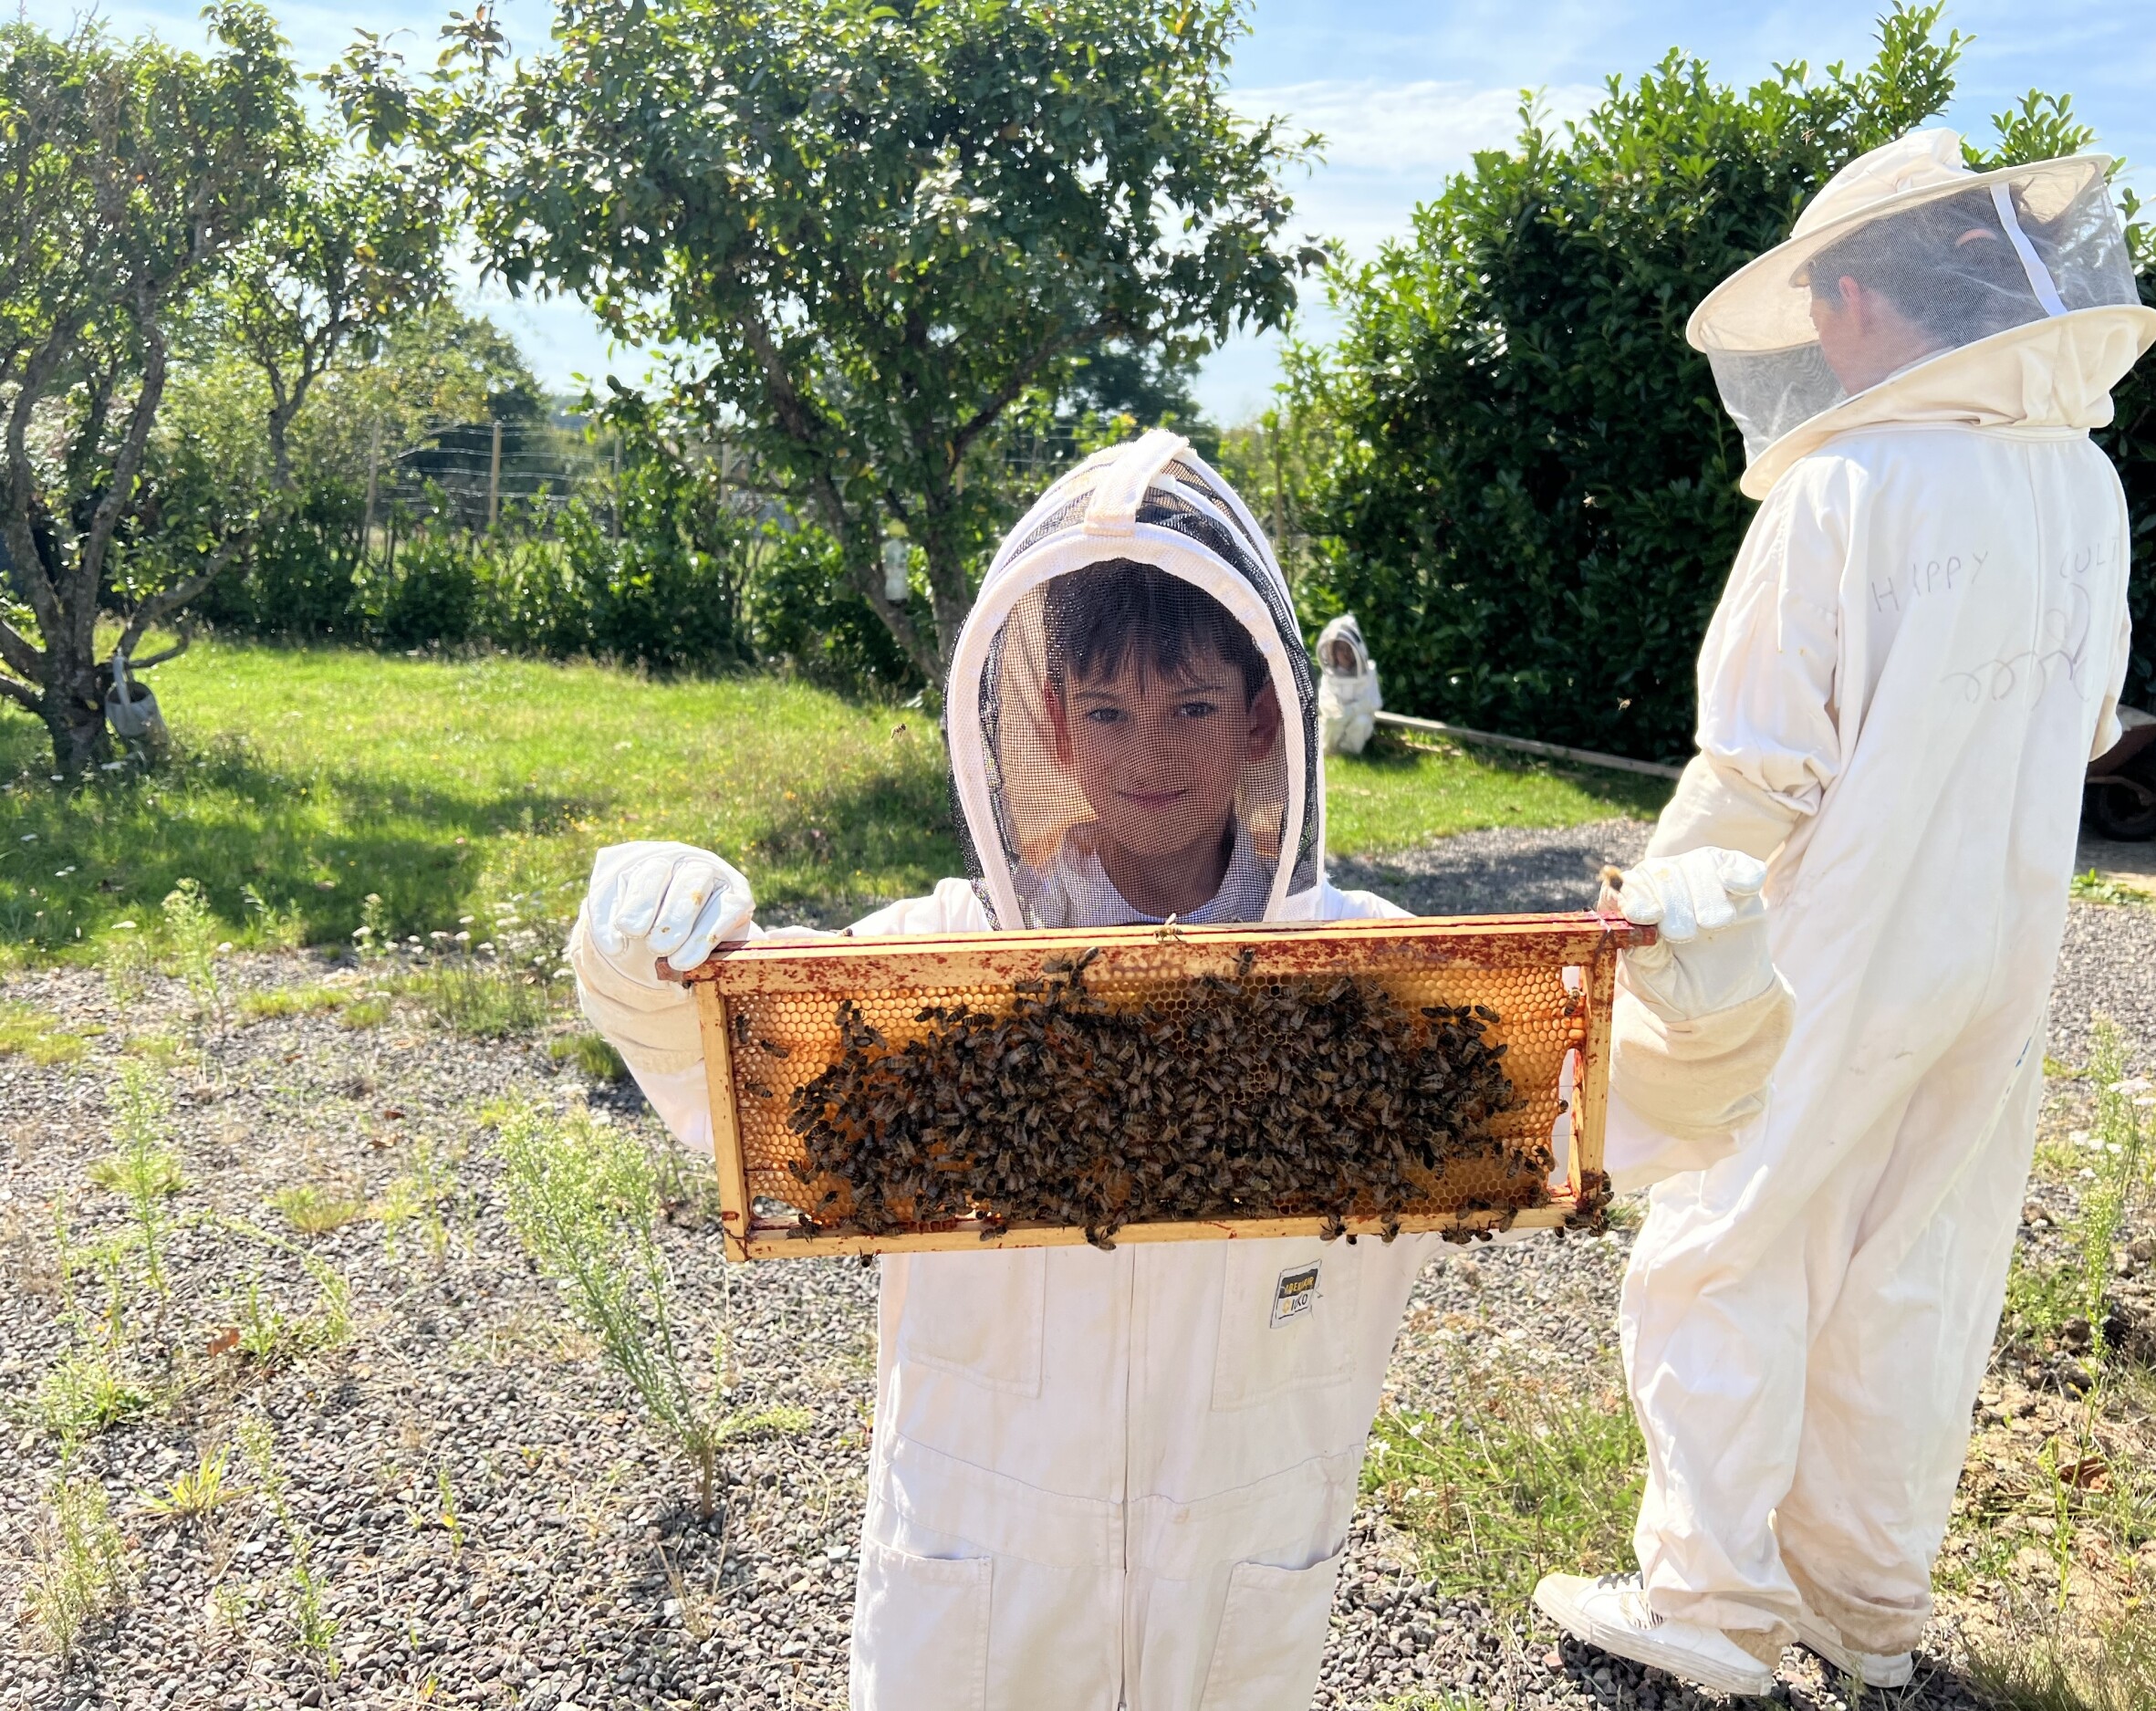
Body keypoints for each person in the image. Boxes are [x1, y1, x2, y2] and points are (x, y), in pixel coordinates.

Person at [570, 430, 1789, 1709]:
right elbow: (742, 1081)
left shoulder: (1374, 983)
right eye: (1107, 710)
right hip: (977, 1594)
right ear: (1049, 719)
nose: (1147, 751)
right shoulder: (943, 961)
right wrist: (642, 970)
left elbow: (1616, 1109)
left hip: (1237, 1588)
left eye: (1191, 705)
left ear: (1264, 710)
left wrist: (1709, 1010)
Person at [1532, 129, 2156, 1696]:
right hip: (2000, 951)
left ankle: (1711, 1605)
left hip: (1825, 951)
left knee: (1725, 1243)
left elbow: (1759, 775)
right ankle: (1868, 1611)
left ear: (1873, 303)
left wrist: (1651, 916)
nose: (1819, 329)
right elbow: (2086, 728)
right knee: (1915, 1258)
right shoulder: (2084, 486)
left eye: (1827, 295)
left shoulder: (1842, 491)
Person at [1314, 613, 1382, 756]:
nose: (1345, 653)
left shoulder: (1368, 672)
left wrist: (1353, 709)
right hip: (1335, 719)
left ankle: (1349, 754)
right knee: (1333, 720)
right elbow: (1324, 701)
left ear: (1357, 649)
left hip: (1358, 717)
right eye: (1340, 649)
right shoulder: (1330, 675)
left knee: (1362, 722)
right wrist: (1340, 711)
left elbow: (1374, 702)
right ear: (1332, 650)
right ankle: (1330, 751)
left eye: (1349, 648)